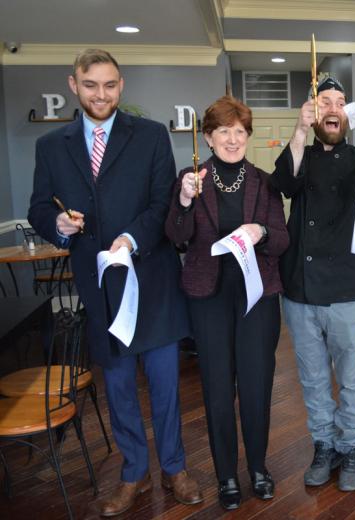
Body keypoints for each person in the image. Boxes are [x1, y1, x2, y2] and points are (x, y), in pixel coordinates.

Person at [27, 49, 202, 516]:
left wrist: (128, 239)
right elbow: (39, 208)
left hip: (154, 283)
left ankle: (175, 467)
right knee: (119, 389)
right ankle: (133, 473)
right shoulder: (51, 146)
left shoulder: (150, 136)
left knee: (166, 387)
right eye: (90, 85)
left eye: (109, 85)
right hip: (100, 291)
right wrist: (58, 225)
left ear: (121, 86)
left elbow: (163, 203)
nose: (100, 94)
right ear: (73, 85)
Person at [165, 96, 289, 510]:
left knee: (256, 387)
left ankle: (258, 468)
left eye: (240, 132)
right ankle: (226, 477)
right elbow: (177, 237)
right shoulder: (190, 178)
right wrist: (183, 201)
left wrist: (261, 231)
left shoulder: (265, 181)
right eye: (224, 132)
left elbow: (282, 238)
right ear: (208, 137)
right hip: (209, 298)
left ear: (248, 136)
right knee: (218, 389)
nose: (233, 139)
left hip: (258, 298)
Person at [270, 77, 355, 492]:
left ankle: (350, 447)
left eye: (340, 103)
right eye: (324, 102)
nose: (333, 109)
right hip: (301, 289)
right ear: (314, 112)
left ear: (349, 114)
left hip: (346, 286)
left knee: (351, 377)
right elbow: (283, 184)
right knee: (312, 378)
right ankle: (323, 446)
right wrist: (297, 130)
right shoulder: (302, 154)